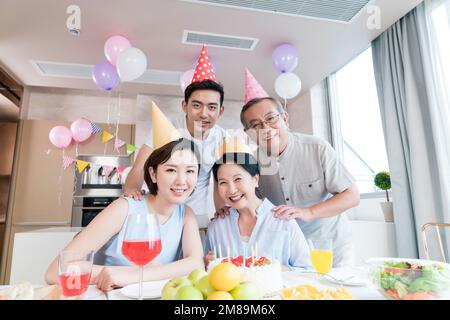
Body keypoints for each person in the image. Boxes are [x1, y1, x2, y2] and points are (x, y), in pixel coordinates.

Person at [45, 138, 204, 292]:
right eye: (171, 170)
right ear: (153, 174)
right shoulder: (124, 208)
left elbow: (196, 263)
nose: (182, 181)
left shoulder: (186, 215)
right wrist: (108, 274)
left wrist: (131, 276)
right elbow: (55, 271)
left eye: (190, 171)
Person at [237, 96, 361, 267]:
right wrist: (226, 211)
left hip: (330, 247)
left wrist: (308, 212)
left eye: (271, 118)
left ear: (285, 119)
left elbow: (352, 196)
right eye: (256, 125)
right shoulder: (254, 163)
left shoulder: (317, 147)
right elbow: (252, 204)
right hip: (288, 250)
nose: (266, 128)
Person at [124, 47, 228, 222]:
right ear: (184, 106)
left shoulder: (223, 138)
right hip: (160, 210)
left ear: (220, 111)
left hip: (195, 214)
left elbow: (219, 180)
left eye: (212, 107)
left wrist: (222, 210)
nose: (204, 113)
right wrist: (130, 190)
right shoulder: (166, 127)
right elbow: (140, 166)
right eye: (196, 105)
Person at [206, 151, 311, 269]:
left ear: (255, 180)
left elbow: (307, 269)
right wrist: (207, 264)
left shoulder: (283, 221)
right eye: (223, 182)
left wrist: (276, 271)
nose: (231, 190)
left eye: (237, 179)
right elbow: (209, 272)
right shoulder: (217, 227)